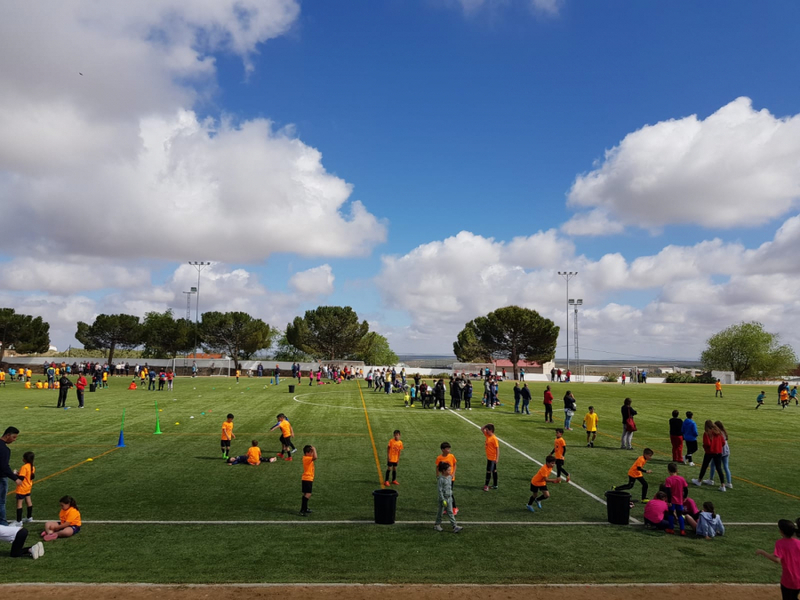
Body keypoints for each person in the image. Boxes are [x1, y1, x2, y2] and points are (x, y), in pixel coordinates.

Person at [756, 519, 800, 600]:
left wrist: (763, 552)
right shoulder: (798, 543)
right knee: (794, 597)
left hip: (788, 580)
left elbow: (777, 560)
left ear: (781, 532)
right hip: (798, 579)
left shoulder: (780, 543)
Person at [691, 420, 727, 492]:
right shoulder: (719, 432)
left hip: (710, 452)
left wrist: (705, 447)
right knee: (719, 468)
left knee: (704, 466)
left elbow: (707, 443)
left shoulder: (707, 433)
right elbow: (723, 442)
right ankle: (723, 485)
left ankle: (699, 480)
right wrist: (718, 447)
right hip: (718, 452)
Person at [0, 427, 24, 526]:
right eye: (13, 437)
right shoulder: (5, 450)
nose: (14, 440)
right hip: (1, 478)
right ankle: (3, 523)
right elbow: (4, 467)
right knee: (1, 502)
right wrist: (16, 479)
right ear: (8, 435)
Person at [435, 462, 462, 533]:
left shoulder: (450, 477)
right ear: (444, 471)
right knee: (440, 512)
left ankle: (454, 526)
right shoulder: (441, 479)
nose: (450, 472)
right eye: (448, 470)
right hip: (443, 499)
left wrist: (451, 497)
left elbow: (450, 488)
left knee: (450, 512)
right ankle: (437, 525)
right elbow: (439, 490)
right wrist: (442, 499)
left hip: (449, 498)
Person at [707, 420, 733, 489]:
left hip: (720, 451)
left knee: (713, 465)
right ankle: (729, 482)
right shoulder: (724, 432)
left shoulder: (718, 433)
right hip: (726, 451)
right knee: (726, 467)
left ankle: (711, 479)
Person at [664, 462, 688, 536]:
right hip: (680, 500)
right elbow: (686, 489)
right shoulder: (681, 479)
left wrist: (669, 501)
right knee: (680, 514)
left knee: (671, 514)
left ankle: (671, 529)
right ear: (677, 470)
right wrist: (685, 497)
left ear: (668, 471)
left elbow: (668, 491)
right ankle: (682, 530)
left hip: (672, 500)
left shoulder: (668, 479)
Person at [12, 451, 35, 526]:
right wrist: (19, 473)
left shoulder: (24, 467)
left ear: (25, 459)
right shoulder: (32, 467)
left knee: (19, 504)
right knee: (28, 501)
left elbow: (21, 478)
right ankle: (29, 517)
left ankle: (19, 521)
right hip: (28, 487)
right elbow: (26, 476)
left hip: (22, 488)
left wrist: (15, 474)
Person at [436, 443, 458, 516]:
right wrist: (437, 476)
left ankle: (454, 508)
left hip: (450, 478)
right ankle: (447, 509)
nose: (449, 450)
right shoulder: (439, 458)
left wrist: (453, 474)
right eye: (447, 449)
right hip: (443, 478)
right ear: (443, 450)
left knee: (450, 493)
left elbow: (455, 464)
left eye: (449, 448)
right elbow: (438, 467)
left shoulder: (451, 456)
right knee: (444, 493)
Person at [299, 445, 317, 516]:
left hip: (307, 478)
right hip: (307, 479)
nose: (312, 453)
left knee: (306, 494)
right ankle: (302, 510)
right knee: (308, 494)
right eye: (311, 452)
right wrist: (314, 449)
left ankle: (305, 508)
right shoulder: (306, 458)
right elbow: (315, 457)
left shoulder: (307, 457)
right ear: (307, 453)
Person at [482, 423, 499, 491]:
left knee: (488, 471)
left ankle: (486, 486)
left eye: (487, 430)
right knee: (494, 471)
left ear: (491, 430)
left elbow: (497, 449)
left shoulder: (494, 439)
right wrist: (486, 425)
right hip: (489, 457)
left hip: (492, 458)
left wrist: (497, 458)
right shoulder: (488, 436)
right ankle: (495, 485)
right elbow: (482, 429)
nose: (486, 431)